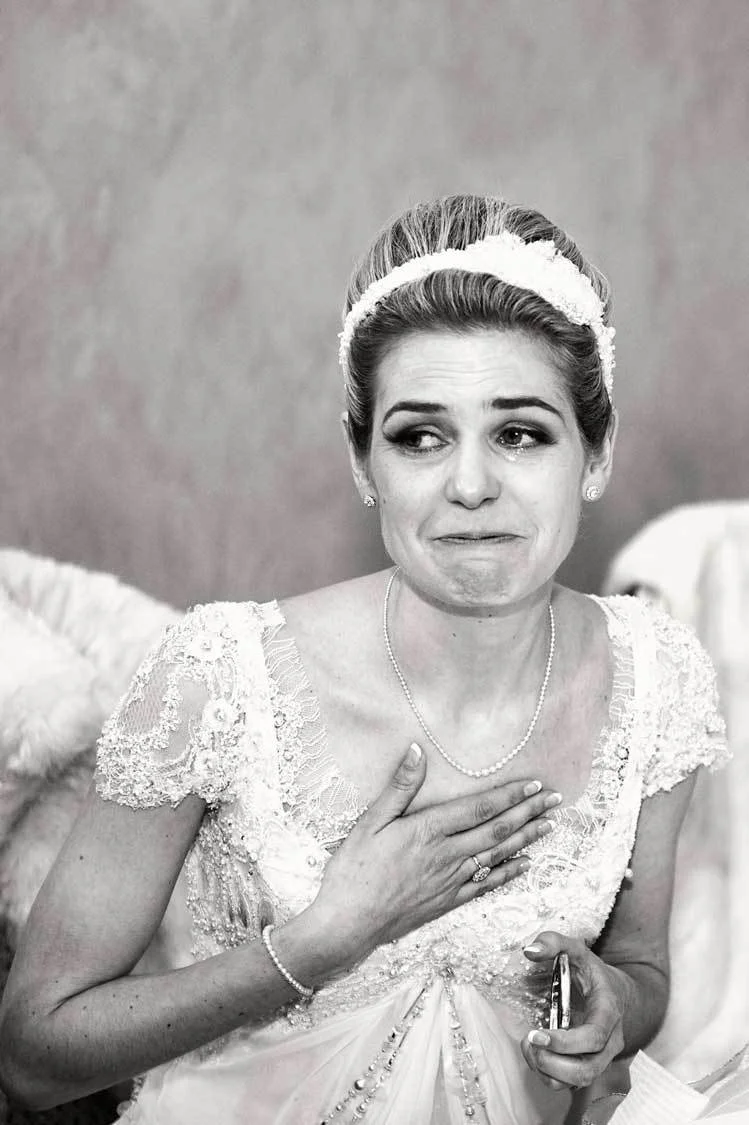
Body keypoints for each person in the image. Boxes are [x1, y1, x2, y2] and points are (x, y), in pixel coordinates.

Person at [0, 194, 728, 1125]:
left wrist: (613, 1002)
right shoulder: (217, 678)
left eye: (519, 433)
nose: (470, 484)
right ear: (361, 463)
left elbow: (642, 964)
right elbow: (32, 1055)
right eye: (420, 436)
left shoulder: (655, 680)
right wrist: (320, 941)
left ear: (594, 455)